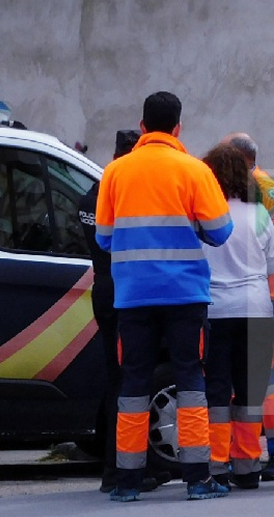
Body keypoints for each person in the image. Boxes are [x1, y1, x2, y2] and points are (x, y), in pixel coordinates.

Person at [95, 91, 233, 502]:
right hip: (184, 294)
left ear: (141, 127)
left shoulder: (115, 173)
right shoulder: (194, 170)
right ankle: (197, 478)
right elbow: (221, 231)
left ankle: (127, 482)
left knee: (133, 381)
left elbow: (104, 238)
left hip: (133, 295)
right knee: (190, 379)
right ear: (178, 128)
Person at [77, 129, 170, 494]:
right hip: (127, 289)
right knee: (131, 380)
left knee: (121, 378)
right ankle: (121, 470)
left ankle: (123, 465)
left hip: (104, 286)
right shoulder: (122, 191)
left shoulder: (93, 193)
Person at [200, 144, 274, 490]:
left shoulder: (204, 216)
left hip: (216, 310)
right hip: (257, 311)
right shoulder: (259, 215)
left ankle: (217, 465)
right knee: (250, 392)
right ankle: (247, 466)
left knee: (217, 391)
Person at [222, 132, 274, 481]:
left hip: (266, 297)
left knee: (264, 383)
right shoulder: (246, 188)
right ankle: (253, 456)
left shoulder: (260, 185)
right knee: (257, 384)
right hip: (259, 297)